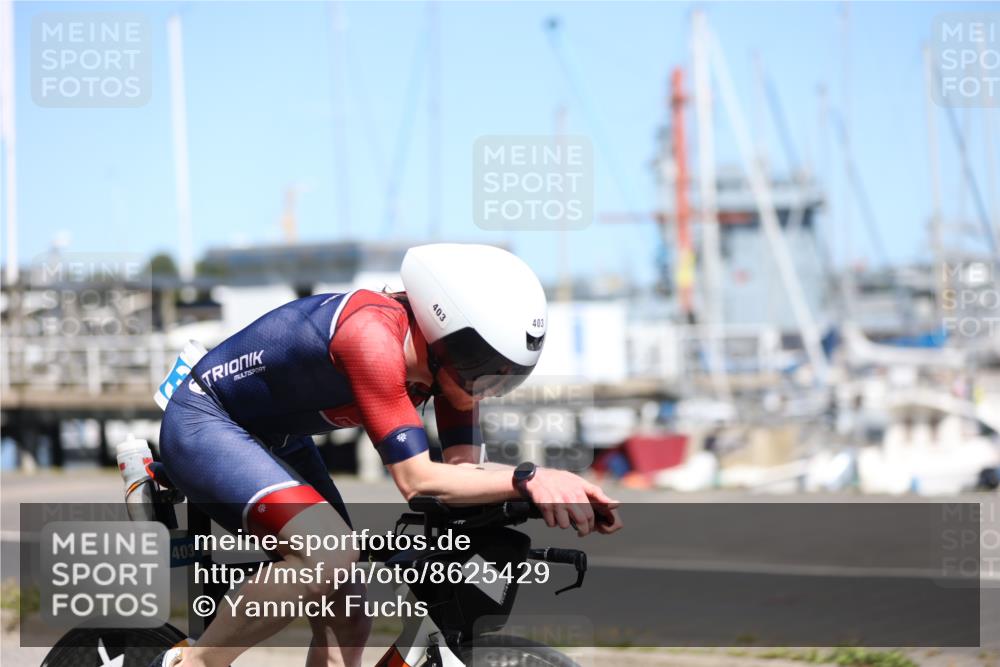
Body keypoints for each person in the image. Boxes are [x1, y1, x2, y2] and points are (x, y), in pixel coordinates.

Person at [155, 243, 622, 667]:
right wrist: (526, 478)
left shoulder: (451, 371)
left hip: (277, 436)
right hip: (205, 422)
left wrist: (551, 486)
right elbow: (418, 480)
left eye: (507, 377)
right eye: (485, 372)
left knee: (350, 617)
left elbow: (461, 473)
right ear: (446, 339)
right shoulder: (372, 338)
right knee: (329, 552)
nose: (491, 389)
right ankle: (198, 664)